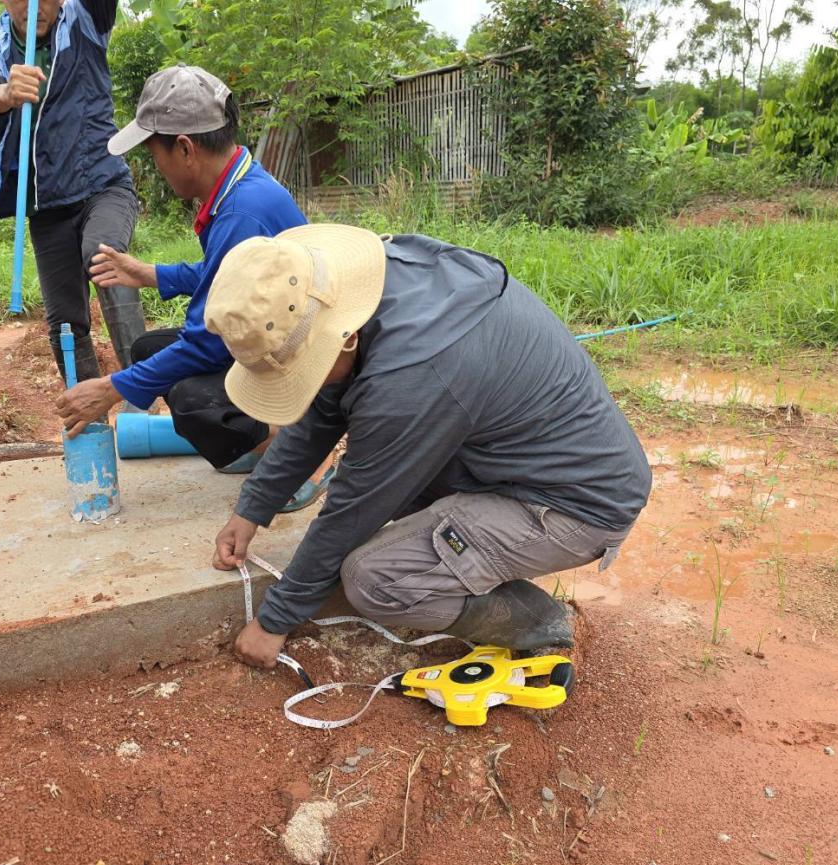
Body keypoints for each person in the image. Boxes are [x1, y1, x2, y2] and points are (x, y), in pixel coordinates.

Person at [204, 225, 653, 668]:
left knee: (374, 578)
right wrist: (253, 508)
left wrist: (275, 620)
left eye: (304, 368)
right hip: (516, 460)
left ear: (344, 336)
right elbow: (326, 406)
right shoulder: (377, 286)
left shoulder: (414, 376)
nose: (305, 382)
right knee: (381, 484)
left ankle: (538, 621)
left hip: (572, 507)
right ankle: (474, 568)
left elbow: (353, 509)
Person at [56, 64, 331, 509]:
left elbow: (206, 342)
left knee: (193, 401)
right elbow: (223, 277)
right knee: (149, 350)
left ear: (184, 148)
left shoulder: (243, 212)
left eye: (154, 153)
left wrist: (112, 387)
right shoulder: (239, 188)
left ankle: (300, 456)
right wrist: (150, 274)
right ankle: (269, 440)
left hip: (305, 362)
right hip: (282, 340)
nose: (154, 165)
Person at [0, 0, 144, 384]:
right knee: (64, 321)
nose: (34, 6)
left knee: (104, 258)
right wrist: (8, 93)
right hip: (47, 205)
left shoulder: (87, 20)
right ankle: (90, 424)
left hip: (104, 185)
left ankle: (142, 393)